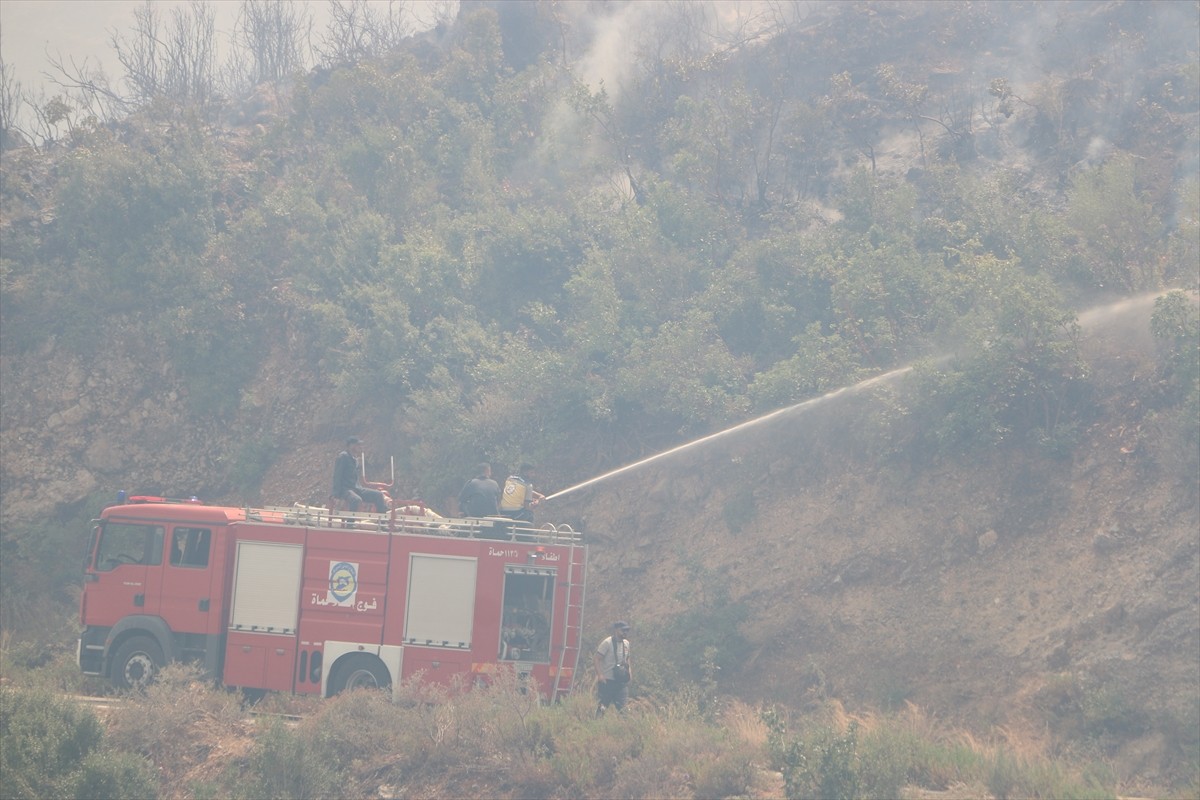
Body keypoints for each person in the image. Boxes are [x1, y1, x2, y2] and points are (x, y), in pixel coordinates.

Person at [331, 437, 390, 513]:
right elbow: (337, 475)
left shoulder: (354, 459)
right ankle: (350, 523)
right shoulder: (343, 456)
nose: (360, 447)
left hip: (356, 488)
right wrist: (336, 494)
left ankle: (382, 521)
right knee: (356, 500)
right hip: (345, 489)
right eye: (357, 445)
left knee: (378, 495)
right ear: (351, 446)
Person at [594, 621, 632, 716]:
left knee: (624, 709)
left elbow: (627, 659)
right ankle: (597, 725)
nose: (625, 632)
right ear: (616, 630)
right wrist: (600, 675)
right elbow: (597, 659)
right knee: (602, 707)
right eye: (623, 630)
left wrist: (629, 673)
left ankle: (625, 729)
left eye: (627, 630)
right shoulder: (607, 642)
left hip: (621, 682)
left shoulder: (626, 644)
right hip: (608, 681)